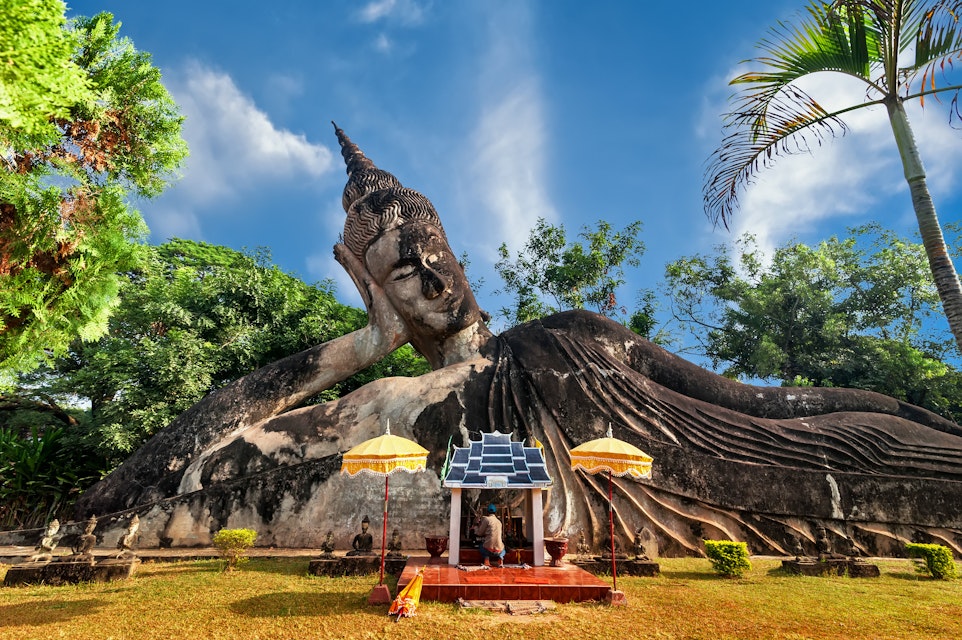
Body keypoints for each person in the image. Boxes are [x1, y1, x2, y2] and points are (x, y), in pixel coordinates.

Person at [74, 124, 962, 558]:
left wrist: (887, 398)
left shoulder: (562, 336)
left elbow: (751, 400)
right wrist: (358, 345)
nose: (428, 281)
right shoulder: (383, 402)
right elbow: (190, 467)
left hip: (666, 421)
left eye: (432, 257)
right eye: (398, 275)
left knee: (840, 429)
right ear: (370, 285)